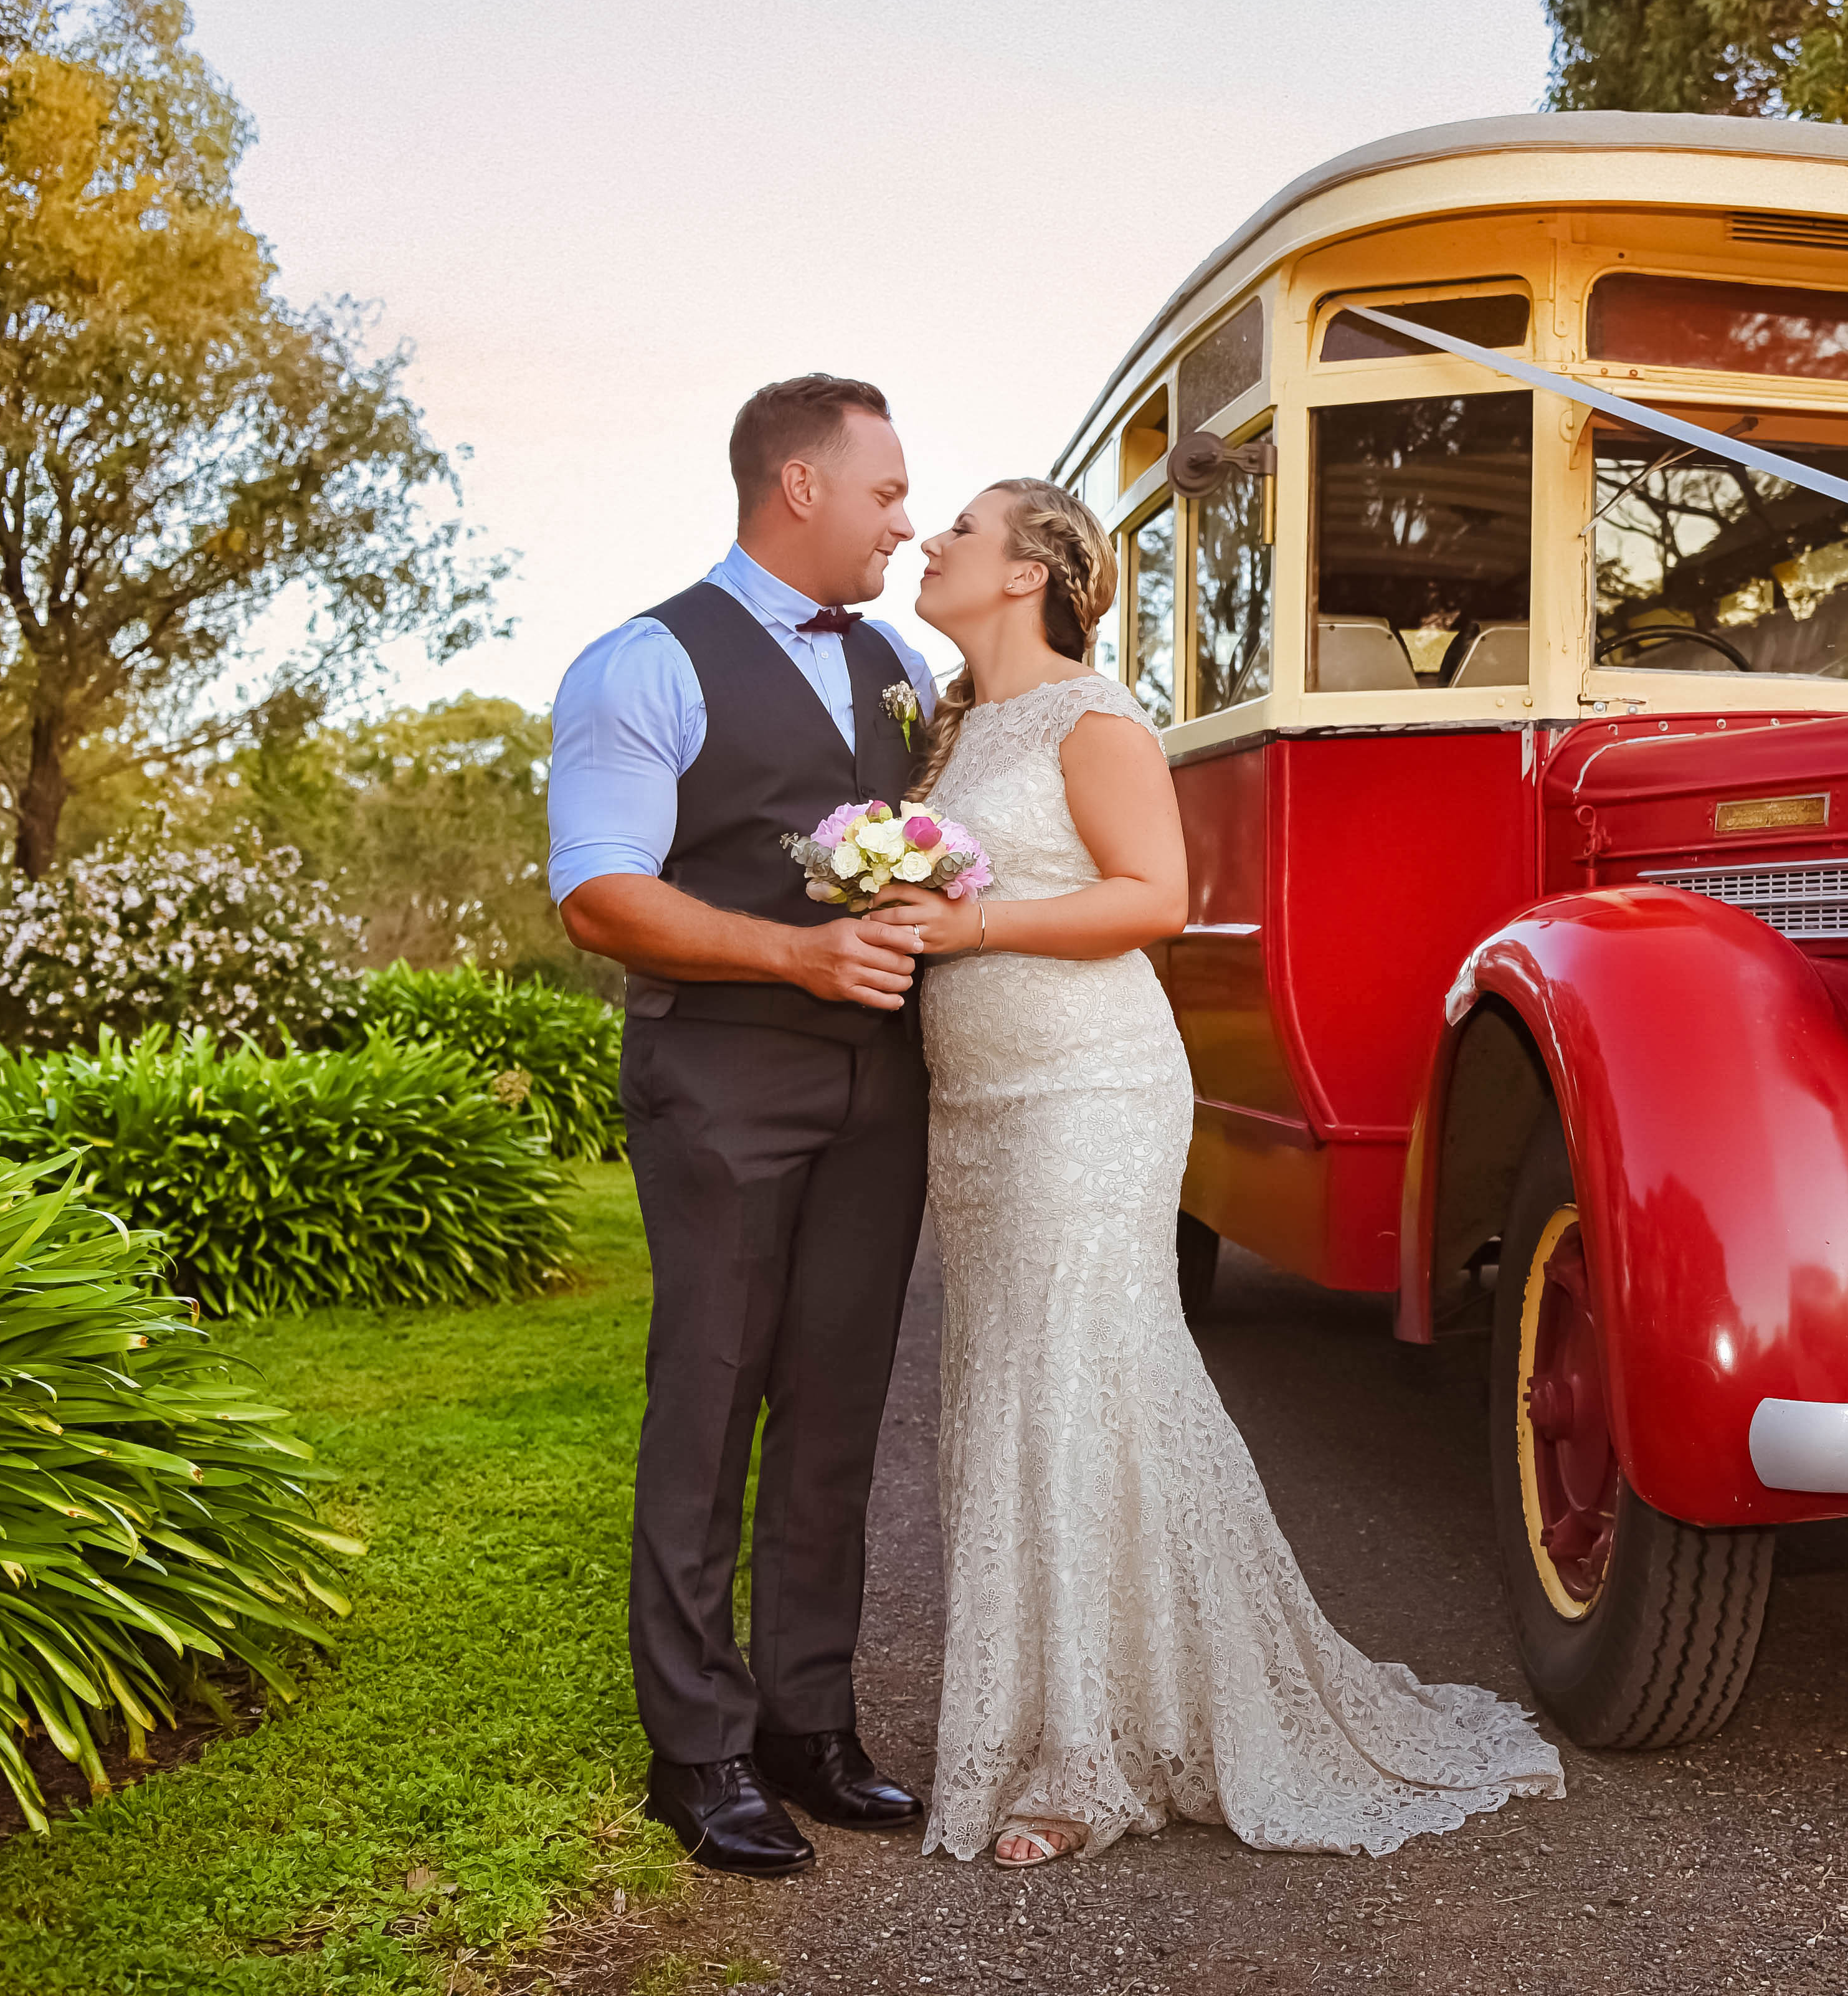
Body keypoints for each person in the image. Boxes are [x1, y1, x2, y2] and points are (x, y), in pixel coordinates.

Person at [873, 475, 1565, 1865]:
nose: (933, 543)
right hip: (982, 1107)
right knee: (1010, 1386)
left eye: (960, 527)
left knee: (1082, 1382)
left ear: (1028, 573)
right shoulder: (950, 727)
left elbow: (1155, 899)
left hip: (1087, 1088)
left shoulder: (1097, 714)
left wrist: (962, 925)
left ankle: (1084, 1763)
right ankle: (1038, 1718)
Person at [548, 375, 939, 1877]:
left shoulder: (899, 665)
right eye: (888, 493)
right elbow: (597, 891)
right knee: (708, 1400)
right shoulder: (642, 663)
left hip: (877, 1085)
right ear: (799, 488)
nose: (906, 522)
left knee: (840, 1404)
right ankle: (696, 1748)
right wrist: (790, 951)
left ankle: (807, 1721)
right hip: (718, 1074)